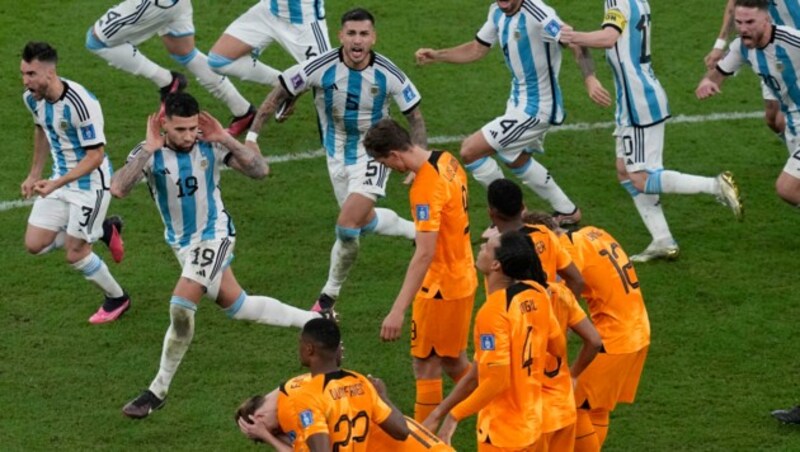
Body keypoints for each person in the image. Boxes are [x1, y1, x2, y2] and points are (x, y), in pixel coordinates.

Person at [110, 92, 326, 418]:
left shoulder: (209, 143)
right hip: (183, 246)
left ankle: (158, 390)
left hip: (216, 236)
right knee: (240, 306)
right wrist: (149, 148)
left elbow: (260, 170)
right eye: (180, 129)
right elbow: (118, 188)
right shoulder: (148, 152)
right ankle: (316, 322)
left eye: (192, 128)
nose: (187, 136)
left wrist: (225, 137)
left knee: (181, 305)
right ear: (163, 123)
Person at [249, 8, 426, 312]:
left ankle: (327, 299)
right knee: (363, 223)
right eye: (352, 33)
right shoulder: (321, 65)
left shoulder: (389, 73)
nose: (358, 41)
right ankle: (418, 232)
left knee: (346, 226)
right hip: (336, 155)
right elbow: (281, 90)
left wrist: (420, 164)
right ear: (341, 35)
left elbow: (416, 119)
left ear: (373, 37)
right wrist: (252, 139)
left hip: (375, 152)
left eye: (364, 34)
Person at [560, 0, 743, 263]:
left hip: (638, 101)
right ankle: (663, 240)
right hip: (637, 97)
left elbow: (609, 37)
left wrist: (572, 36)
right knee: (625, 172)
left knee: (641, 178)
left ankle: (716, 185)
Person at [414, 0, 614, 226]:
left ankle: (511, 215)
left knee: (470, 151)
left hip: (537, 109)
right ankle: (567, 210)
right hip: (517, 103)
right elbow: (477, 48)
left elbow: (575, 41)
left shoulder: (539, 14)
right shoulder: (497, 12)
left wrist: (590, 78)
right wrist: (437, 55)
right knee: (515, 158)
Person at [363, 118, 476, 424]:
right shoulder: (445, 159)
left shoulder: (425, 188)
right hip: (463, 274)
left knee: (426, 363)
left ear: (395, 155)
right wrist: (418, 175)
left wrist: (397, 310)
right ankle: (500, 401)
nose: (388, 168)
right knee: (454, 361)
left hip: (440, 285)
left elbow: (424, 253)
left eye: (385, 162)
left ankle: (424, 442)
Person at [424, 230, 566, 450]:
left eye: (487, 247)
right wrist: (438, 412)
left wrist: (454, 416)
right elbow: (558, 347)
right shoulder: (537, 292)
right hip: (534, 423)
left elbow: (497, 380)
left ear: (495, 265)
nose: (481, 249)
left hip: (503, 433)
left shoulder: (493, 312)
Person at [19, 41, 130, 325]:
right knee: (34, 245)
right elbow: (41, 129)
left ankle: (117, 298)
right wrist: (34, 173)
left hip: (91, 185)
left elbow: (96, 156)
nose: (26, 81)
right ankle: (103, 228)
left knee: (75, 253)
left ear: (50, 73)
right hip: (60, 179)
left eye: (31, 74)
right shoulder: (32, 99)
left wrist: (57, 183)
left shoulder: (82, 104)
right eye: (23, 73)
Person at [524, 212, 649, 451]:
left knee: (571, 402)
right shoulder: (594, 232)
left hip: (614, 337)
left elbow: (559, 297)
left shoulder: (566, 250)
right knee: (597, 406)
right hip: (639, 329)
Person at [85, 0, 256, 135]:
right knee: (184, 52)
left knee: (96, 40)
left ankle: (167, 81)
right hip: (174, 4)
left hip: (156, 4)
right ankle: (243, 111)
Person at [237, 318, 410, 451]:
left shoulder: (308, 395)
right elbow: (401, 431)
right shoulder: (361, 382)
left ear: (309, 349)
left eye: (300, 344)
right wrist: (384, 398)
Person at [697, 0, 800, 207]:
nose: (743, 29)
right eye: (739, 22)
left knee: (787, 188)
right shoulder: (742, 48)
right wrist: (707, 82)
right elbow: (717, 75)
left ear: (766, 19)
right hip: (793, 124)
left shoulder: (792, 41)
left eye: (750, 22)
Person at [236, 369, 454, 450]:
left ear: (260, 416)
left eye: (278, 431)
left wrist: (267, 436)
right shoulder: (307, 383)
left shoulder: (292, 408)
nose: (285, 434)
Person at [703, 0, 799, 136]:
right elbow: (734, 6)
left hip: (794, 47)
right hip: (771, 46)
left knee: (786, 116)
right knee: (773, 119)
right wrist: (719, 45)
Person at [486, 178, 584, 298]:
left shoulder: (495, 250)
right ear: (523, 206)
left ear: (491, 213)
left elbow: (498, 304)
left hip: (520, 315)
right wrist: (564, 312)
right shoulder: (545, 234)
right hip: (548, 312)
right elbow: (577, 281)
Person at [208, 0, 331, 86]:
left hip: (303, 20)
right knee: (219, 60)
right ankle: (283, 84)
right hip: (269, 10)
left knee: (329, 80)